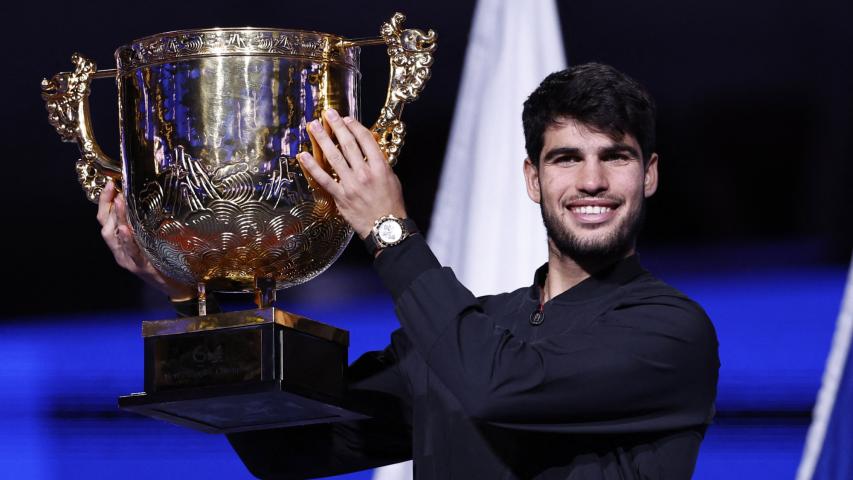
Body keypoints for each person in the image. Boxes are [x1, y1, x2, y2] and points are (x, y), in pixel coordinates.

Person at [99, 63, 719, 479]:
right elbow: (286, 447)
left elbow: (493, 385)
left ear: (651, 174)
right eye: (566, 158)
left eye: (616, 157)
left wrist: (388, 230)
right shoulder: (470, 328)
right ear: (533, 179)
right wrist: (198, 293)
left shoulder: (670, 331)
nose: (591, 181)